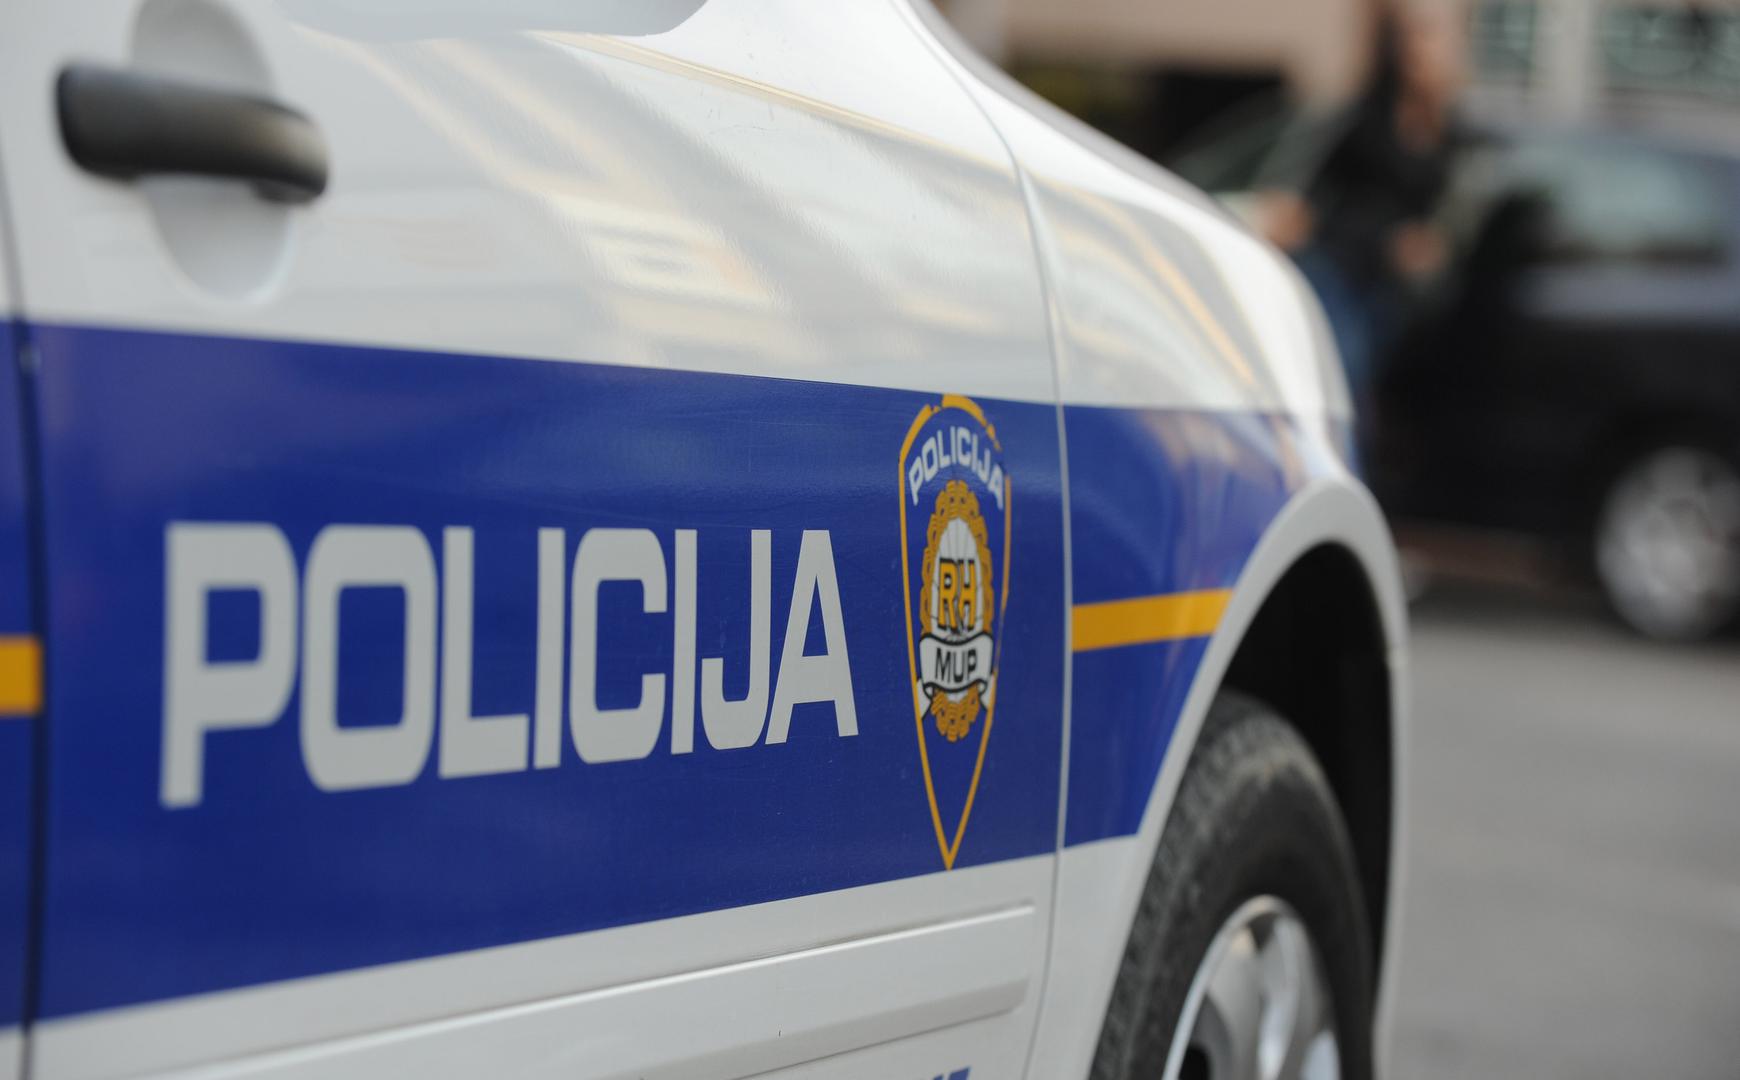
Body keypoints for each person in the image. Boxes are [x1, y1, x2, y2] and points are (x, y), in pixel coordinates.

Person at [1259, 3, 1467, 419]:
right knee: (1344, 372)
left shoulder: (1449, 130)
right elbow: (1316, 191)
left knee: (1370, 379)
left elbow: (1438, 209)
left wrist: (1427, 243)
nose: (1425, 54)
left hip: (1386, 282)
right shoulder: (1369, 116)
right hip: (1339, 263)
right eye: (1416, 43)